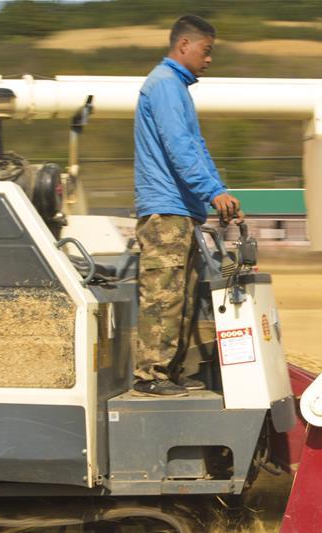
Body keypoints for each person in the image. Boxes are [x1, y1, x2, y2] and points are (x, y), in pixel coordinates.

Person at [133, 14, 241, 396]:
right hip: (166, 212)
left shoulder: (176, 89)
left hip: (182, 212)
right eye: (206, 51)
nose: (209, 59)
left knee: (182, 297)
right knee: (163, 297)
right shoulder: (164, 86)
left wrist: (218, 191)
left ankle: (171, 371)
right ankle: (151, 377)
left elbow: (198, 149)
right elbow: (179, 149)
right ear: (184, 46)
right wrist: (212, 192)